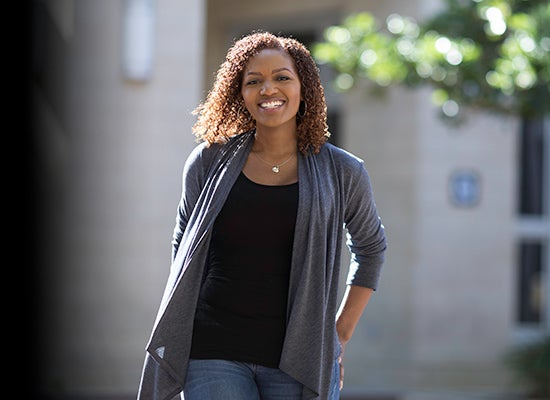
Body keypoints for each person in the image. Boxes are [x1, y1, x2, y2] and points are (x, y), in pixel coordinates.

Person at [137, 30, 387, 400]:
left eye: (282, 77)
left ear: (305, 88)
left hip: (297, 358)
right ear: (239, 93)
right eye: (254, 81)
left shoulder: (343, 171)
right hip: (212, 351)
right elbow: (183, 247)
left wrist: (338, 333)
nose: (268, 89)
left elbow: (371, 249)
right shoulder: (208, 162)